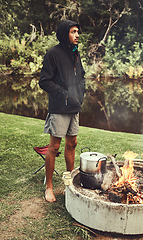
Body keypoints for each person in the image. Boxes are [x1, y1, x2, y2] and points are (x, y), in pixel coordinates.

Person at [39, 20, 86, 202]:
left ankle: (69, 181)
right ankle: (49, 186)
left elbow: (81, 75)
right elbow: (44, 81)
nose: (77, 35)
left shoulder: (75, 53)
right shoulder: (53, 54)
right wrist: (64, 94)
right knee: (54, 147)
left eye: (77, 32)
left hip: (74, 106)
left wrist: (81, 93)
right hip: (59, 107)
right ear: (65, 33)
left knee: (72, 143)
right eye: (73, 32)